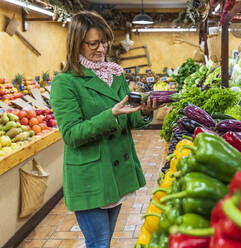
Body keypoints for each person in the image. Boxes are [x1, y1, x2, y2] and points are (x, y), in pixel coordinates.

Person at [50, 11, 161, 248]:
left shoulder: (115, 74)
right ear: (76, 43)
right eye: (93, 43)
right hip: (91, 175)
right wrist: (110, 114)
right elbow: (71, 135)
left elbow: (129, 120)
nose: (101, 49)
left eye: (104, 42)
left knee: (104, 241)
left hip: (116, 172)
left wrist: (144, 111)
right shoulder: (65, 82)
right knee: (99, 243)